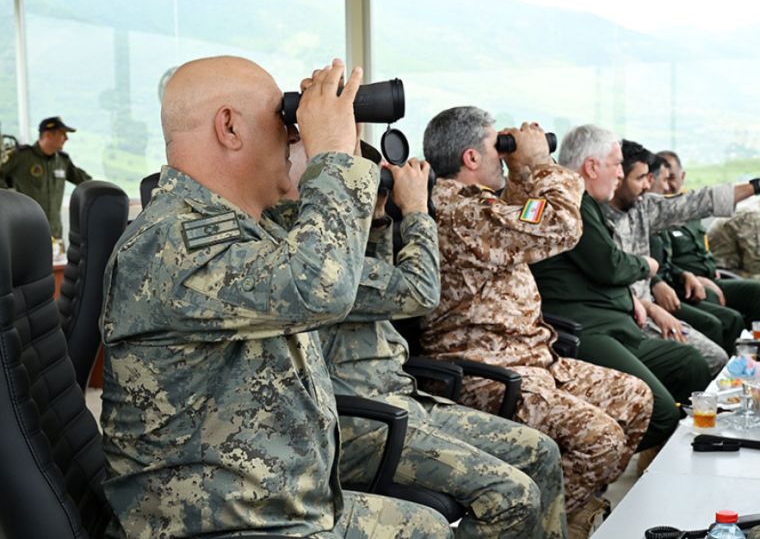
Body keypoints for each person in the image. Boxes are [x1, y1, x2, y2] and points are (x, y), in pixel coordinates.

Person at [99, 56, 451, 538]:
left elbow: (332, 253)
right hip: (215, 524)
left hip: (271, 504)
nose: (293, 136)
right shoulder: (170, 241)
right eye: (282, 119)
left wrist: (344, 141)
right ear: (229, 127)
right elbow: (320, 287)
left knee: (430, 527)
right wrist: (331, 154)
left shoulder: (243, 227)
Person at [420, 106, 653, 538]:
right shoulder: (457, 210)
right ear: (471, 157)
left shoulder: (482, 205)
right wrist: (542, 162)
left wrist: (521, 169)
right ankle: (541, 526)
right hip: (486, 372)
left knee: (634, 399)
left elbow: (525, 215)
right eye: (498, 146)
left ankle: (567, 517)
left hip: (532, 361)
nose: (503, 153)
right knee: (600, 438)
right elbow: (559, 226)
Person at [308, 156, 567, 538]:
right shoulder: (311, 252)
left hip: (402, 402)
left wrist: (377, 218)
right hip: (364, 421)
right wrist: (415, 211)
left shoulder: (337, 241)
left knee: (542, 452)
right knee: (512, 496)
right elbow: (417, 291)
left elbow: (379, 288)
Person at [530, 125, 713, 467]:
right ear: (591, 166)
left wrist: (635, 301)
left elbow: (602, 269)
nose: (619, 173)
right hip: (585, 329)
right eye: (616, 164)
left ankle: (662, 466)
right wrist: (647, 266)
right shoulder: (570, 201)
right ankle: (590, 471)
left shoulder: (587, 203)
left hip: (617, 322)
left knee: (689, 363)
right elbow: (608, 265)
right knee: (659, 412)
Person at [607, 143, 735, 361]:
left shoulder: (643, 209)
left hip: (651, 301)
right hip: (630, 312)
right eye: (641, 178)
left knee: (718, 342)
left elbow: (696, 204)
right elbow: (613, 271)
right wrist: (655, 287)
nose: (651, 185)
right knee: (704, 350)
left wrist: (682, 275)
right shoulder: (598, 217)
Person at [654, 149, 760, 327]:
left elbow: (703, 248)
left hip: (710, 277)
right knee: (721, 311)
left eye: (671, 178)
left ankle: (758, 339)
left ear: (682, 177)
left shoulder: (690, 209)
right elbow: (663, 263)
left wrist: (710, 269)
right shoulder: (656, 214)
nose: (667, 186)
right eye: (663, 179)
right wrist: (689, 276)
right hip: (684, 284)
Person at [0, 116, 92, 239]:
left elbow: (86, 181)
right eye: (62, 134)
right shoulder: (21, 157)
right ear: (48, 135)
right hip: (25, 230)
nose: (66, 138)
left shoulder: (63, 161)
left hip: (54, 232)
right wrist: (10, 196)